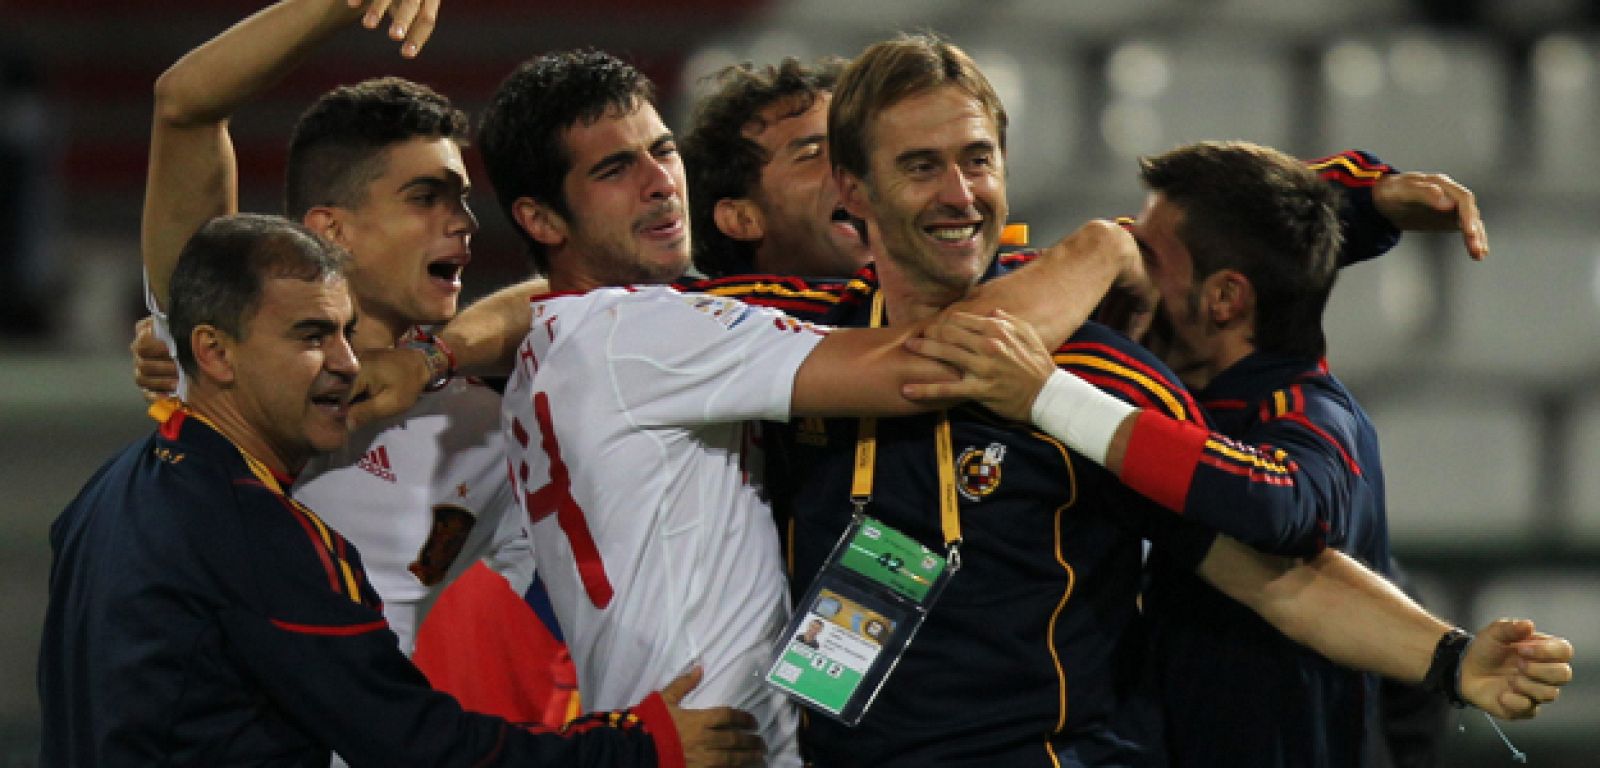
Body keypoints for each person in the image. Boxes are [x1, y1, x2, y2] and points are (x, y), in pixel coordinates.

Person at [736, 33, 1571, 767]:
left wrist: (1452, 657)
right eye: (921, 166)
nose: (961, 194)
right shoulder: (785, 347)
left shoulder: (1104, 374)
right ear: (851, 187)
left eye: (979, 158)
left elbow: (1275, 578)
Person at [352, 46, 1144, 768]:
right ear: (540, 219)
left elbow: (555, 303)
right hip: (724, 742)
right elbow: (935, 361)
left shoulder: (567, 338)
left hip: (658, 730)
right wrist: (1101, 247)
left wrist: (438, 350)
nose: (661, 179)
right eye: (615, 170)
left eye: (663, 150)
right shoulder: (649, 332)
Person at [39, 213, 761, 767]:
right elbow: (415, 746)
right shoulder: (251, 529)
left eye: (348, 332)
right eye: (311, 335)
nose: (347, 362)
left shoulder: (112, 488)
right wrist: (640, 746)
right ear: (214, 353)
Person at [907, 139, 1476, 766]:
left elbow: (1282, 503)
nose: (1125, 266)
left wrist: (1050, 400)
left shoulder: (1307, 413)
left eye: (1144, 253)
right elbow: (1258, 223)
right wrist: (1364, 200)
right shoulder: (1166, 380)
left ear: (1225, 299)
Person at [134, 0, 572, 722]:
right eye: (427, 197)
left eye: (462, 198)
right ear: (331, 230)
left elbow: (593, 293)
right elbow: (184, 106)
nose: (462, 223)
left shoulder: (481, 421)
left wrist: (433, 357)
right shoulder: (233, 346)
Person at [682, 57, 871, 278]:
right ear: (743, 219)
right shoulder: (694, 311)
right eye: (811, 154)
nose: (855, 161)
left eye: (857, 146)